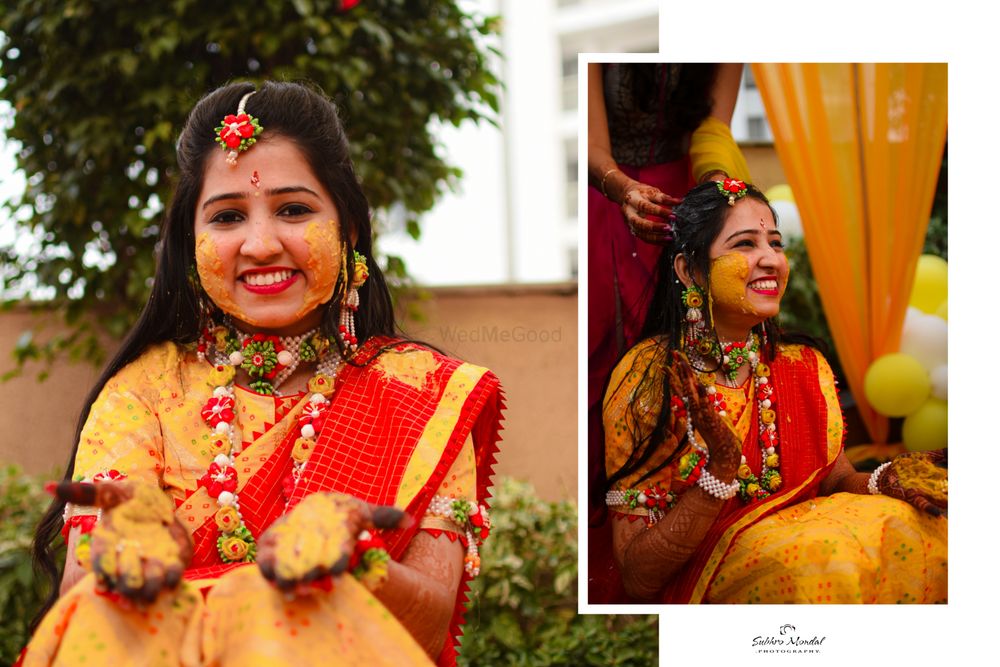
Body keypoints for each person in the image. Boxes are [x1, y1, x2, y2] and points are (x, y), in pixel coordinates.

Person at [22, 81, 503, 665]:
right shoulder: (143, 395)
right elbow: (87, 626)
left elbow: (428, 633)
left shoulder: (420, 395)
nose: (260, 243)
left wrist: (357, 559)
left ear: (349, 227)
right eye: (227, 217)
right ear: (192, 243)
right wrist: (129, 554)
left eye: (294, 210)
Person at [601, 179, 947, 603]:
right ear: (689, 271)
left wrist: (882, 479)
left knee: (924, 523)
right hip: (709, 573)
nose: (771, 260)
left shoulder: (800, 365)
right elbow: (637, 577)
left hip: (810, 542)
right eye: (745, 244)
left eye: (776, 243)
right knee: (827, 559)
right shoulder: (650, 375)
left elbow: (833, 479)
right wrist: (720, 472)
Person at [587, 63, 751, 602]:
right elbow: (586, 142)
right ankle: (611, 544)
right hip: (611, 195)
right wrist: (620, 186)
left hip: (684, 199)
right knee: (609, 367)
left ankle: (690, 523)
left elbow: (713, 127)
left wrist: (714, 197)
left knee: (688, 353)